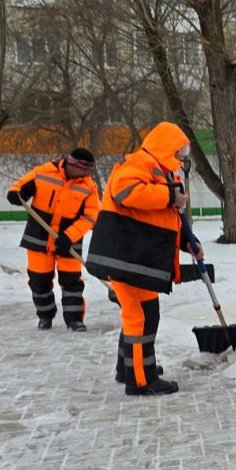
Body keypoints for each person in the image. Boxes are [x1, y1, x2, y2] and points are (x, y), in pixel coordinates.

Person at [85, 122, 201, 396]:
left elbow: (162, 217)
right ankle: (141, 380)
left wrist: (187, 242)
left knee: (145, 315)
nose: (183, 156)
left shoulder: (161, 170)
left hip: (139, 258)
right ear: (167, 146)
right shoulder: (140, 163)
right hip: (127, 257)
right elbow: (125, 193)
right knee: (140, 317)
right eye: (180, 149)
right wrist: (170, 196)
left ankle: (129, 367)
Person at [7, 149, 100, 331]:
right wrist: (17, 194)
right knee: (38, 281)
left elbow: (90, 217)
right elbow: (19, 187)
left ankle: (74, 320)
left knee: (71, 282)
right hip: (38, 238)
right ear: (73, 165)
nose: (87, 174)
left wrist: (69, 236)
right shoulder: (44, 171)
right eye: (84, 170)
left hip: (68, 242)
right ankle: (45, 315)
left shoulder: (89, 186)